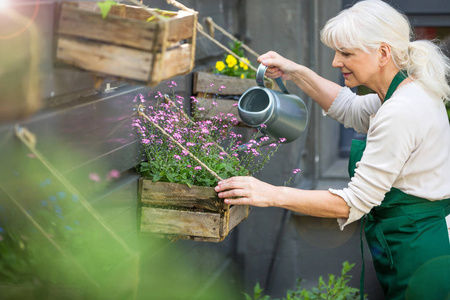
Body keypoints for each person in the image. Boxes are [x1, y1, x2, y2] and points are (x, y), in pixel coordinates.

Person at [215, 0, 450, 299]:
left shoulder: (401, 111)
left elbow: (353, 203)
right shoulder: (408, 89)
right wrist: (295, 72)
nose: (335, 62)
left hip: (419, 253)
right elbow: (349, 107)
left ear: (382, 53)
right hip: (416, 241)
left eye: (346, 53)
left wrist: (270, 194)